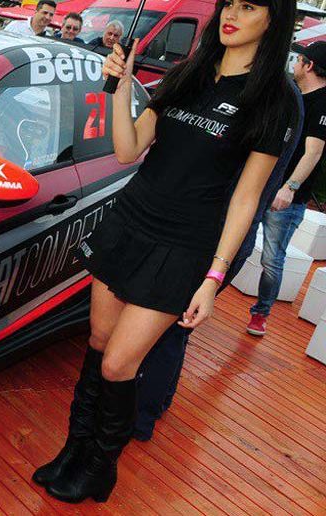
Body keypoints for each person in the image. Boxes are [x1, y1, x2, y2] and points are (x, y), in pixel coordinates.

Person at [33, 0, 297, 504]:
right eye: (229, 3)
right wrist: (121, 87)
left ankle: (101, 467)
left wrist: (214, 278)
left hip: (184, 246)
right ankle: (74, 451)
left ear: (273, 19)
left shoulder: (273, 100)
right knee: (98, 343)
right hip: (130, 222)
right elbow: (128, 149)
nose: (232, 14)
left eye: (248, 6)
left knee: (118, 364)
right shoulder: (188, 74)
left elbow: (246, 199)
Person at [134, 77, 304, 442]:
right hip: (223, 230)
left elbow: (243, 183)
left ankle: (142, 417)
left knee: (170, 326)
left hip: (218, 233)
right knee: (177, 326)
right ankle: (154, 405)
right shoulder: (283, 95)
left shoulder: (274, 96)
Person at [246, 41, 326, 336]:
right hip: (260, 185)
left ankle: (260, 314)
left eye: (299, 59)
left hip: (286, 198)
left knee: (271, 258)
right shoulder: (291, 95)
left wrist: (289, 188)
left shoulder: (322, 103)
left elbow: (313, 152)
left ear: (309, 66)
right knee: (236, 243)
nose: (294, 63)